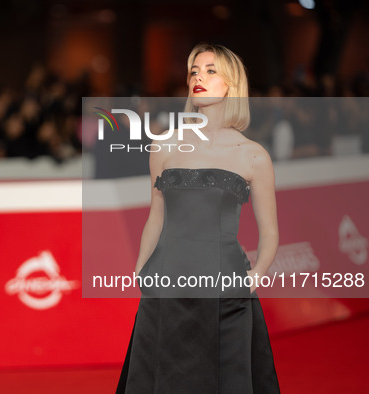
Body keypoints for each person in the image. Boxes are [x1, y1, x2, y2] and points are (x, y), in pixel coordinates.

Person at [116, 43, 281, 393]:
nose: (198, 77)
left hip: (225, 288)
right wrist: (141, 270)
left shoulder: (253, 156)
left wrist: (255, 277)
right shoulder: (164, 146)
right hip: (166, 283)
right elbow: (155, 217)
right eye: (194, 70)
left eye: (210, 70)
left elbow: (269, 232)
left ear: (232, 85)